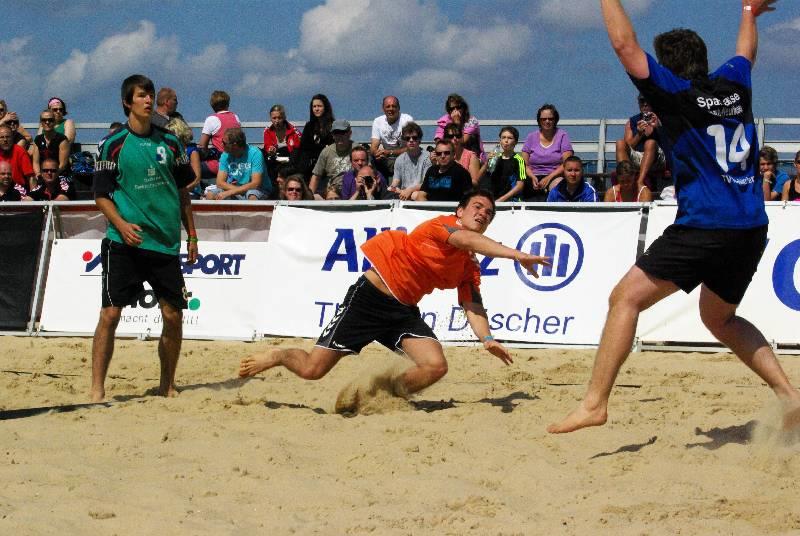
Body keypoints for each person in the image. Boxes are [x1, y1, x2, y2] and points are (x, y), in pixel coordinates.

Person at [549, 0, 800, 434]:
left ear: (668, 68)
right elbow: (746, 53)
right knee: (719, 317)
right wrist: (748, 11)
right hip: (750, 225)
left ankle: (594, 404)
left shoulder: (676, 93)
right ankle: (790, 397)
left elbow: (624, 45)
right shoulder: (733, 84)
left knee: (624, 299)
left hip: (706, 223)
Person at [239, 189, 550, 410]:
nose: (483, 214)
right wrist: (517, 255)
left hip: (402, 312)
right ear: (459, 211)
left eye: (488, 213)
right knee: (312, 370)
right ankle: (279, 355)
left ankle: (380, 396)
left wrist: (487, 339)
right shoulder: (442, 226)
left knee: (435, 366)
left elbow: (473, 305)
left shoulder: (469, 266)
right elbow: (468, 239)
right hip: (368, 300)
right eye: (477, 207)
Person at [90, 74, 198, 403]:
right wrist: (121, 225)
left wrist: (192, 235)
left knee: (173, 316)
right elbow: (101, 195)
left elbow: (183, 192)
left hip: (164, 242)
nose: (148, 100)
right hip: (124, 242)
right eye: (141, 95)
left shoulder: (171, 142)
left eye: (150, 94)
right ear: (127, 102)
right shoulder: (113, 143)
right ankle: (96, 388)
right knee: (110, 314)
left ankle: (167, 384)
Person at [521, 104, 574, 200]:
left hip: (555, 176)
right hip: (532, 176)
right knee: (519, 184)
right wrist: (532, 177)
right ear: (539, 120)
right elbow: (524, 164)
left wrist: (549, 177)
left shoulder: (562, 136)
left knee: (557, 185)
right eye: (543, 119)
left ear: (555, 120)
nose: (547, 121)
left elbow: (567, 163)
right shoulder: (531, 137)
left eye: (550, 119)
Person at [615, 94, 666, 189]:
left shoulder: (662, 119)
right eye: (642, 101)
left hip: (658, 158)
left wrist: (658, 127)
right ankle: (625, 179)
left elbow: (671, 143)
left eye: (648, 101)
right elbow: (628, 146)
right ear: (638, 103)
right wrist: (639, 134)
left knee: (650, 143)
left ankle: (640, 181)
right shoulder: (632, 122)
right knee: (620, 143)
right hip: (638, 157)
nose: (645, 104)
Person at [204, 127, 269, 200]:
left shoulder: (255, 153)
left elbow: (256, 183)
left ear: (234, 145)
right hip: (236, 188)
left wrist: (231, 192)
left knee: (252, 196)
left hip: (257, 189)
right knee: (210, 195)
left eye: (224, 143)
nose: (221, 145)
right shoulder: (225, 155)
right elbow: (220, 182)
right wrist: (237, 191)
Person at [198, 90, 241, 177]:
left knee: (192, 167)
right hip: (237, 162)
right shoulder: (235, 117)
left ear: (212, 105)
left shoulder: (211, 119)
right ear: (227, 104)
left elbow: (202, 146)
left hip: (221, 163)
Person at [370, 96, 413, 179]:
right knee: (370, 157)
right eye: (388, 106)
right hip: (385, 158)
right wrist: (377, 154)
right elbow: (373, 147)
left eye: (394, 106)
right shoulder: (378, 121)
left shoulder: (407, 120)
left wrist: (390, 152)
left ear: (399, 108)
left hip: (404, 157)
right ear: (383, 109)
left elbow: (411, 147)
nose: (391, 109)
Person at [309, 119, 354, 197]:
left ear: (350, 133)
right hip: (333, 193)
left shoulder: (357, 149)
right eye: (336, 133)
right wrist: (309, 197)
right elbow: (316, 176)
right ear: (332, 135)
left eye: (342, 132)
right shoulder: (326, 152)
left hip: (353, 191)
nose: (339, 136)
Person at [295, 94, 334, 180]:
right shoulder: (309, 126)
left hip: (326, 166)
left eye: (319, 106)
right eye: (314, 106)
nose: (316, 109)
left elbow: (331, 148)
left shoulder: (333, 126)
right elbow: (303, 147)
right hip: (308, 166)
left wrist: (315, 147)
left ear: (326, 107)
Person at [434, 94, 484, 161]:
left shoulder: (472, 121)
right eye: (452, 108)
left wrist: (456, 122)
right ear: (449, 111)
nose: (455, 110)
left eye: (458, 107)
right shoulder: (444, 121)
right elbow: (438, 141)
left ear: (463, 108)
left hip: (471, 155)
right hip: (451, 155)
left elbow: (462, 141)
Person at [390, 122, 431, 201]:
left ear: (419, 139)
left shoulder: (427, 157)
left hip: (421, 193)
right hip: (403, 194)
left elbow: (426, 183)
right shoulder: (399, 159)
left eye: (414, 138)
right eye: (407, 138)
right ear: (404, 141)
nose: (411, 140)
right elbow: (396, 180)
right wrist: (393, 187)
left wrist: (410, 190)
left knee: (416, 195)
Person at [486, 126, 527, 202]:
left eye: (510, 138)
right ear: (500, 140)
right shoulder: (495, 157)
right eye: (503, 137)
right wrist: (486, 162)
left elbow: (520, 186)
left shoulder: (519, 160)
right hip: (494, 199)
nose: (506, 140)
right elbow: (486, 179)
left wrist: (501, 200)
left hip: (512, 202)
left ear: (516, 142)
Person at [166, 117, 202, 198]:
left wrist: (181, 192)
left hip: (190, 191)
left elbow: (196, 179)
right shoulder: (166, 150)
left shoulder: (191, 150)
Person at [31, 109, 70, 176]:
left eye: (50, 120)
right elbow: (35, 162)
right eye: (44, 120)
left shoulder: (62, 139)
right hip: (43, 175)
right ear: (41, 123)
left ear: (54, 122)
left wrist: (50, 176)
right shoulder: (38, 139)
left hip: (59, 174)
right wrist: (38, 174)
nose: (47, 122)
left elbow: (62, 165)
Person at [0, 125, 35, 190]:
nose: (5, 140)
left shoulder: (20, 151)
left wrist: (33, 194)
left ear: (12, 138)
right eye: (2, 137)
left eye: (8, 137)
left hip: (18, 190)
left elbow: (31, 177)